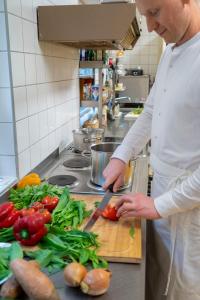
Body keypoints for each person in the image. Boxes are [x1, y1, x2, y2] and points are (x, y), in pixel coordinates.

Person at [102, 0, 200, 299]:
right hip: (162, 192)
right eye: (143, 15)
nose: (150, 26)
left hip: (191, 209)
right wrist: (122, 154)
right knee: (157, 280)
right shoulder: (171, 51)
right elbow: (151, 111)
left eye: (155, 12)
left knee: (184, 288)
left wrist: (159, 206)